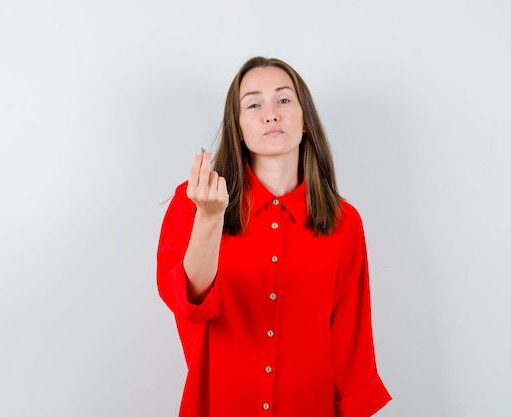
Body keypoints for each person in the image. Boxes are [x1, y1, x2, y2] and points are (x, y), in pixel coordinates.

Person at [157, 56, 391, 417]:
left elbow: (350, 342)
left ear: (305, 120)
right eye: (253, 104)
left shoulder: (344, 222)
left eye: (284, 100)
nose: (271, 114)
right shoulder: (194, 203)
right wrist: (209, 217)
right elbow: (188, 301)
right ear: (237, 127)